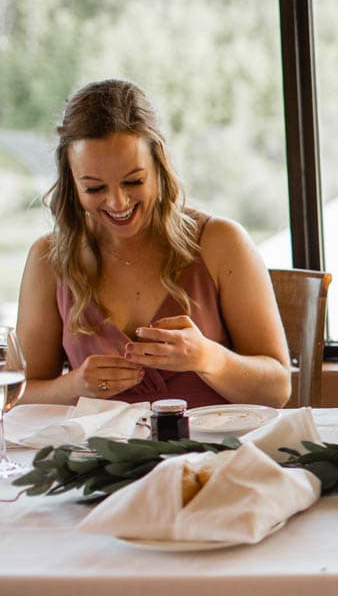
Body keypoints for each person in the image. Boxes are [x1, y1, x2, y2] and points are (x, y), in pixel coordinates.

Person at [15, 79, 292, 408]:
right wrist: (74, 384)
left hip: (211, 456)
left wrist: (208, 358)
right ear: (72, 183)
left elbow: (277, 389)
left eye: (133, 181)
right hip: (96, 456)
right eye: (94, 188)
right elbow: (18, 396)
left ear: (159, 168)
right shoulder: (49, 258)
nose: (117, 203)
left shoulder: (221, 242)